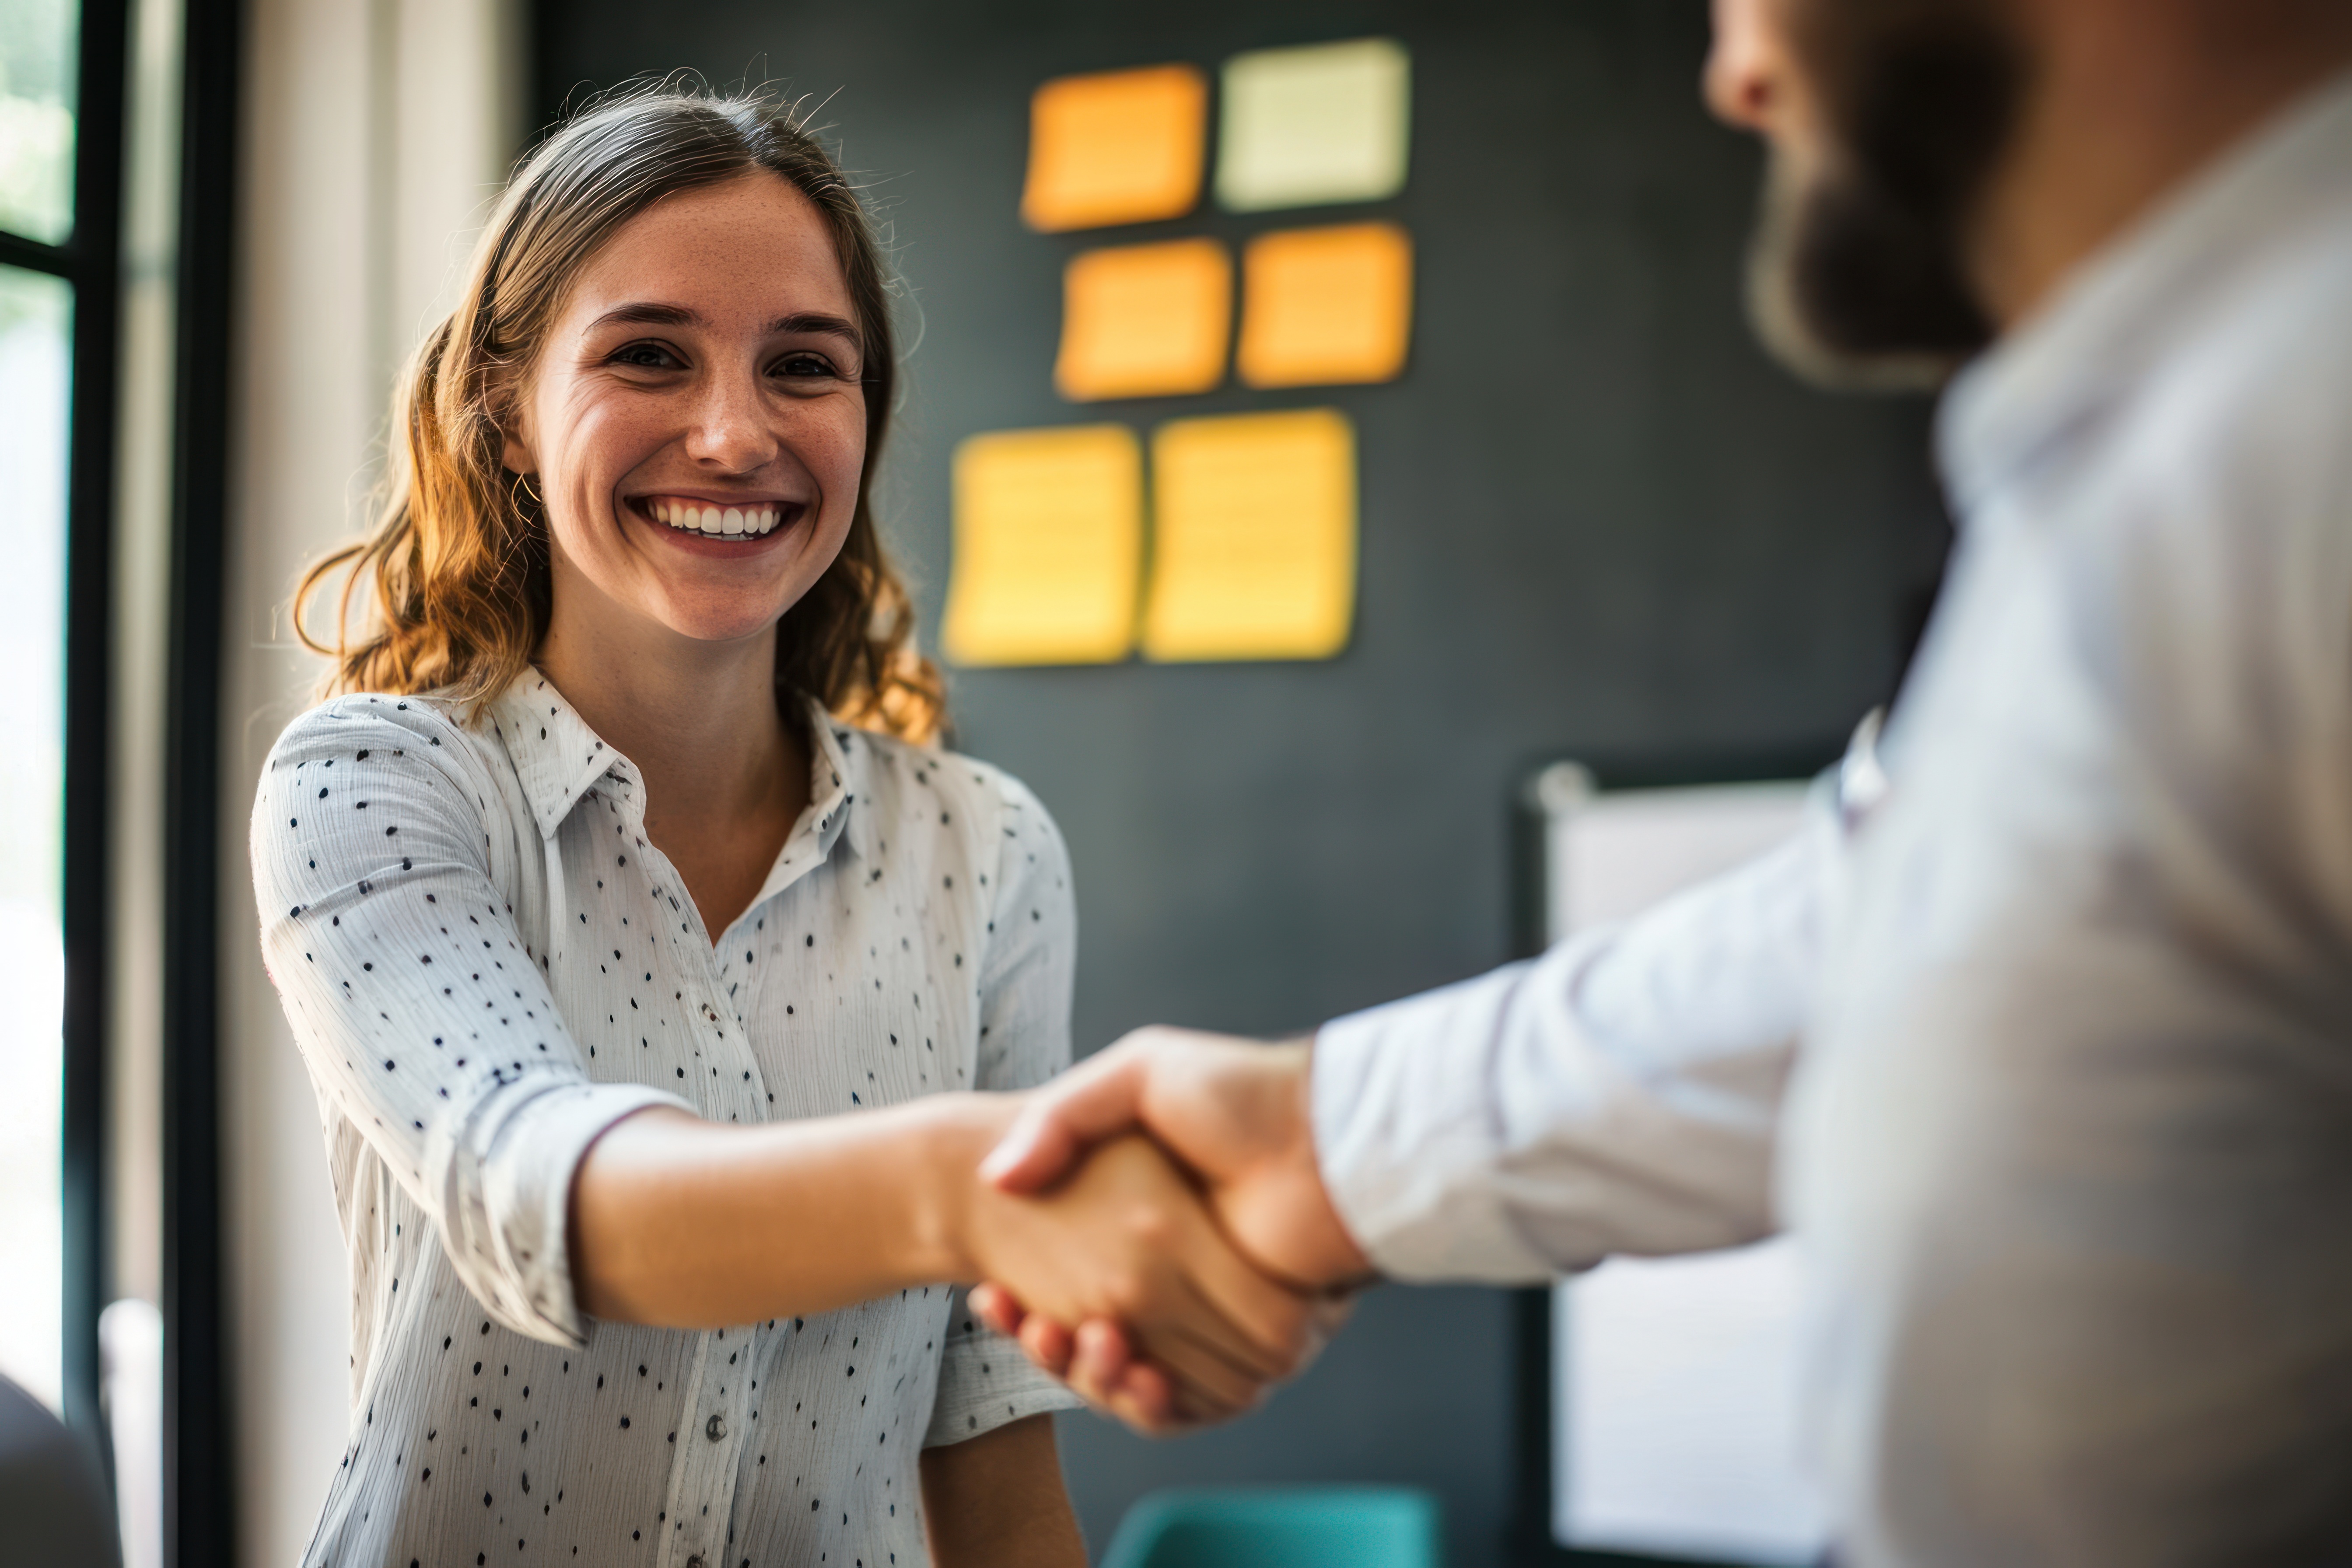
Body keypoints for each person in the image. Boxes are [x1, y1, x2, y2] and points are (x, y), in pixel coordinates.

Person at [974, 0, 2352, 1561]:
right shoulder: (2147, 475)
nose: (1737, 72)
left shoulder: (2303, 440)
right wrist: (1325, 1137)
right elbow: (1887, 928)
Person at [252, 87, 1314, 1568]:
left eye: (804, 367)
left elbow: (996, 1472)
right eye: (648, 356)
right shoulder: (378, 788)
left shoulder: (984, 849)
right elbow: (549, 1197)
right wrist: (988, 1183)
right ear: (504, 414)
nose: (735, 433)